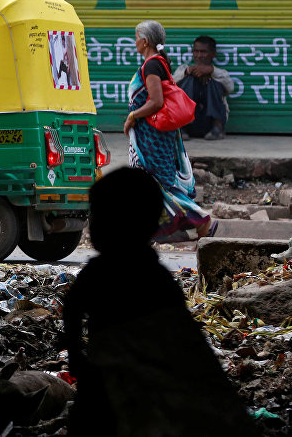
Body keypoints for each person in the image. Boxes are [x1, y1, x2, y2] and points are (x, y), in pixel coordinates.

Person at [64, 167, 255, 437]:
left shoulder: (100, 274)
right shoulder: (157, 277)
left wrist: (75, 355)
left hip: (110, 378)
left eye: (98, 216)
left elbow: (72, 310)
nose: (91, 225)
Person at [123, 20, 214, 242]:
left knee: (157, 184)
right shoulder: (158, 63)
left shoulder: (152, 65)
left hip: (152, 137)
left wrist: (132, 116)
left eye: (136, 38)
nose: (135, 42)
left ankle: (201, 220)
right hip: (154, 135)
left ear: (144, 42)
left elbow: (156, 102)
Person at [173, 35, 233, 141]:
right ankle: (181, 129)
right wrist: (187, 72)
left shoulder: (220, 73)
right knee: (188, 80)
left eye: (203, 52)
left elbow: (230, 87)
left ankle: (218, 129)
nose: (199, 56)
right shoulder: (183, 69)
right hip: (188, 124)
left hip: (210, 125)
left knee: (213, 82)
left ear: (212, 54)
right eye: (196, 51)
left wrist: (211, 71)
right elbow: (170, 85)